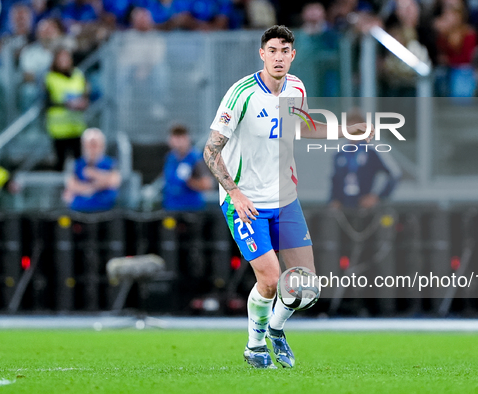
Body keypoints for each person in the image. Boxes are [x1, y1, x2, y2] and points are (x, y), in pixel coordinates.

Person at [204, 25, 370, 369]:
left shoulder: (296, 87)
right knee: (268, 280)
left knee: (306, 288)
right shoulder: (241, 94)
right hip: (245, 201)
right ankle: (254, 346)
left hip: (284, 197)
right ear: (262, 54)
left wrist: (345, 132)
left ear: (293, 56)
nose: (279, 57)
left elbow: (305, 127)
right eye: (272, 51)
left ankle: (276, 330)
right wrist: (234, 193)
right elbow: (209, 151)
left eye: (285, 51)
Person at [330, 112, 402, 209]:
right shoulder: (339, 151)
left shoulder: (373, 149)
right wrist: (333, 200)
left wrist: (377, 197)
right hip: (343, 208)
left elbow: (395, 174)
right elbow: (334, 178)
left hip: (366, 209)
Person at [45, 47, 89, 171]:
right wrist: (66, 104)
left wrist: (83, 103)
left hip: (77, 126)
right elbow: (46, 102)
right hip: (59, 128)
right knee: (60, 163)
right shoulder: (50, 78)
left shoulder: (78, 75)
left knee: (80, 163)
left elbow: (85, 95)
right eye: (61, 58)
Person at [63, 128, 121, 212]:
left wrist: (95, 175)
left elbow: (114, 181)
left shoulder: (110, 164)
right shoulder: (77, 164)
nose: (92, 148)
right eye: (89, 145)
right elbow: (71, 185)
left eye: (95, 144)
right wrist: (99, 185)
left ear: (102, 145)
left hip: (105, 209)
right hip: (79, 209)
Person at [163, 124, 213, 211]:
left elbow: (208, 185)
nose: (178, 140)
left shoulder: (196, 158)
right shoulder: (170, 157)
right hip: (171, 207)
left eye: (181, 136)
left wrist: (188, 180)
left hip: (191, 209)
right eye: (175, 137)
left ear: (187, 138)